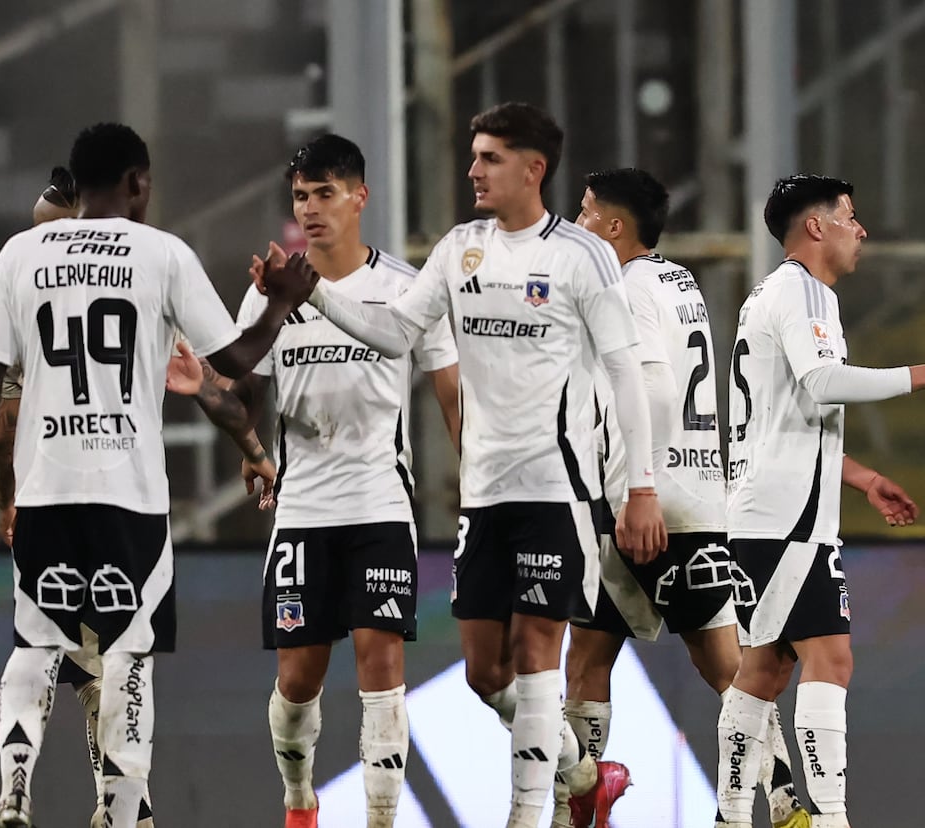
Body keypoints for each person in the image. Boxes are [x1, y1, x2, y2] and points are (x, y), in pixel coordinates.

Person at [271, 102, 666, 828]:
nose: (473, 169)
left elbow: (626, 375)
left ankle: (527, 817)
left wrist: (640, 488)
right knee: (486, 674)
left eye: (489, 157)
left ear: (533, 169)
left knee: (537, 651)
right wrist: (316, 293)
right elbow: (395, 332)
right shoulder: (460, 249)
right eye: (474, 155)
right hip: (483, 496)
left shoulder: (579, 256)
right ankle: (583, 777)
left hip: (556, 489)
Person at [0, 122, 317, 828]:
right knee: (128, 657)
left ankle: (13, 789)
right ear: (136, 182)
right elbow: (234, 364)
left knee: (36, 642)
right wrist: (282, 301)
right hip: (131, 499)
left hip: (45, 491)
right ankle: (121, 811)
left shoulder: (21, 255)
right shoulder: (161, 255)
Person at [168, 134, 462, 828]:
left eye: (325, 193)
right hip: (302, 510)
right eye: (301, 196)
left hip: (379, 503)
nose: (310, 208)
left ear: (360, 197)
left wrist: (474, 487)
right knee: (297, 681)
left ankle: (381, 820)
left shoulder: (405, 287)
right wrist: (206, 391)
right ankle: (300, 802)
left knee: (380, 668)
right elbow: (242, 399)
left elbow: (451, 394)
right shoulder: (269, 295)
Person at [715, 174, 925, 828]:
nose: (860, 229)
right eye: (849, 216)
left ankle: (730, 816)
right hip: (788, 518)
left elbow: (784, 417)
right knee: (829, 658)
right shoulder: (803, 291)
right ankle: (830, 817)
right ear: (816, 227)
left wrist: (862, 477)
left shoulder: (770, 295)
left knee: (764, 670)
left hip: (767, 509)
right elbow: (821, 382)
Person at [568, 168, 810, 828]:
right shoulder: (677, 280)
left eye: (586, 212)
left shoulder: (623, 288)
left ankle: (786, 803)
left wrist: (639, 489)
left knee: (725, 666)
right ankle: (582, 799)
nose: (577, 223)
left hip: (650, 504)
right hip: (691, 493)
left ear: (614, 226)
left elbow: (650, 386)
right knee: (589, 652)